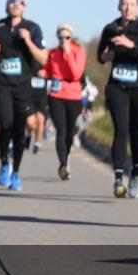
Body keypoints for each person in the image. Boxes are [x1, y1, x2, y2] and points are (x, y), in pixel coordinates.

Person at [98, 0, 138, 198]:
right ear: (119, 6)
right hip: (117, 87)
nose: (127, 7)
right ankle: (117, 178)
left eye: (131, 4)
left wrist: (131, 45)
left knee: (136, 132)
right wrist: (106, 55)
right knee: (121, 130)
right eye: (124, 4)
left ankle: (135, 172)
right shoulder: (110, 28)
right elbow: (101, 55)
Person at [0, 0, 48, 191]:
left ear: (25, 6)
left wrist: (29, 41)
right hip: (1, 84)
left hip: (23, 86)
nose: (15, 4)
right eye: (11, 1)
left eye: (19, 2)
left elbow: (43, 59)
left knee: (20, 130)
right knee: (5, 125)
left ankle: (16, 172)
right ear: (7, 4)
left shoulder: (33, 28)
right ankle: (5, 163)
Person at [43, 24, 87, 180]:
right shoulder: (53, 53)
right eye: (60, 37)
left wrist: (68, 55)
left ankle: (66, 157)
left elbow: (76, 73)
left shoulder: (79, 51)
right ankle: (62, 164)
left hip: (74, 95)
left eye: (66, 37)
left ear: (71, 38)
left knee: (69, 133)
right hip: (56, 95)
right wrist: (42, 73)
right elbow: (47, 70)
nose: (63, 40)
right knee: (60, 131)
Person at [27, 65, 49, 154]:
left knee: (40, 118)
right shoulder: (28, 63)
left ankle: (37, 143)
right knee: (30, 123)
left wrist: (48, 74)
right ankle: (28, 135)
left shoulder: (46, 64)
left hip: (42, 98)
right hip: (29, 98)